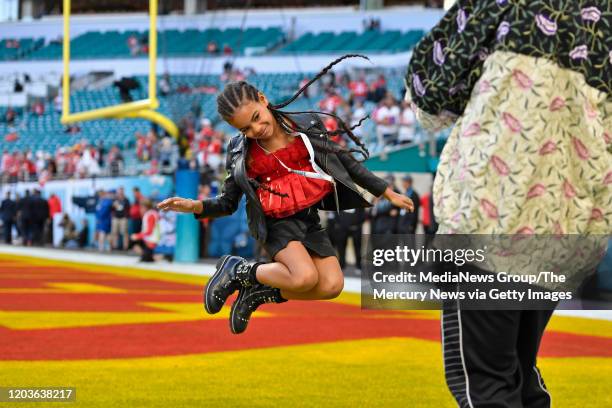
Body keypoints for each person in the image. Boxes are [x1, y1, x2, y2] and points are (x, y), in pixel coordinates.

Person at [405, 1, 610, 407]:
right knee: (519, 370)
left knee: (486, 384)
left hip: (492, 212)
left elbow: (429, 94)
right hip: (570, 227)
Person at [158, 54, 414, 335]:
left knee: (331, 286)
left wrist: (387, 192)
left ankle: (257, 293)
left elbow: (346, 162)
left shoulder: (305, 127)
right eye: (245, 128)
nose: (256, 130)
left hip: (308, 219)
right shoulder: (240, 151)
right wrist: (195, 206)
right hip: (275, 223)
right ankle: (239, 270)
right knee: (304, 277)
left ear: (263, 99)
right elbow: (228, 203)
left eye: (256, 118)